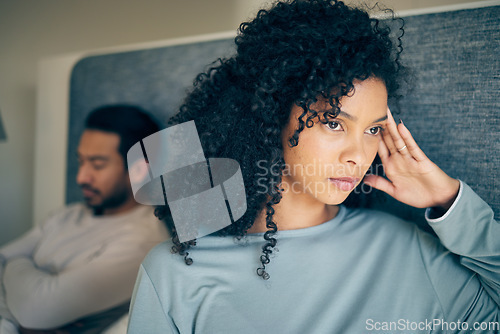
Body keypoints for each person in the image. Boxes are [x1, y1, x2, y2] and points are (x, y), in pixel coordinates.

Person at [128, 1, 499, 333]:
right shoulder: (175, 273)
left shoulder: (407, 250)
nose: (358, 155)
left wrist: (451, 202)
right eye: (334, 123)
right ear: (271, 116)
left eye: (373, 130)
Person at [0, 105, 169, 333]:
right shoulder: (69, 214)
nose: (81, 177)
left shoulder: (145, 242)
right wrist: (17, 311)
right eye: (81, 161)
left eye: (97, 164)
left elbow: (35, 310)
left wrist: (14, 263)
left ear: (139, 170)